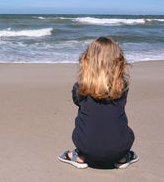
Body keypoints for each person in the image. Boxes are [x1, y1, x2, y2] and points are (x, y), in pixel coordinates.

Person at [58, 37, 138, 169]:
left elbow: (77, 102)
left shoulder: (80, 87)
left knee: (83, 120)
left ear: (88, 60)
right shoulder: (122, 87)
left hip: (86, 147)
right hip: (118, 148)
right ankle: (123, 158)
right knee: (124, 129)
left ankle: (79, 157)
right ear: (118, 61)